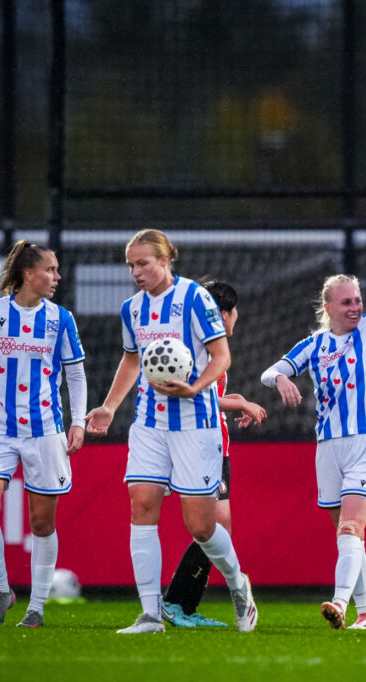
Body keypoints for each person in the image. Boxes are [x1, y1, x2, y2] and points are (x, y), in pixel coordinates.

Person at [85, 229, 257, 634]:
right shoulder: (132, 309)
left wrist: (195, 388)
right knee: (141, 506)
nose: (136, 272)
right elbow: (131, 361)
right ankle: (149, 615)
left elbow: (222, 356)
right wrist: (109, 407)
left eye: (143, 262)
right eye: (131, 265)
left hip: (196, 424)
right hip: (148, 422)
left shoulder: (195, 299)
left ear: (165, 260)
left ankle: (238, 586)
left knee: (200, 526)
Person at [261, 209, 366, 630]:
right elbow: (270, 371)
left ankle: (339, 604)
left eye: (358, 299)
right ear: (329, 307)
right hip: (328, 447)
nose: (356, 306)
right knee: (349, 536)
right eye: (347, 302)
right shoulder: (315, 344)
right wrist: (283, 380)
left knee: (350, 527)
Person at [0, 239, 87, 628]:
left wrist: (79, 421)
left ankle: (37, 607)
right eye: (50, 270)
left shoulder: (61, 319)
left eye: (57, 270)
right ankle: (3, 590)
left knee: (42, 523)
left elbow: (75, 373)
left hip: (45, 432)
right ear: (29, 274)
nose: (56, 277)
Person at [161, 280, 267, 628]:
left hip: (215, 445)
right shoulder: (200, 348)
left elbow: (205, 393)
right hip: (201, 446)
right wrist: (237, 402)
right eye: (233, 313)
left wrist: (231, 401)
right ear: (224, 314)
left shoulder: (205, 346)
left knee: (216, 529)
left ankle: (179, 605)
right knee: (212, 528)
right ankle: (177, 603)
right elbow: (187, 393)